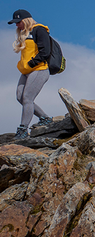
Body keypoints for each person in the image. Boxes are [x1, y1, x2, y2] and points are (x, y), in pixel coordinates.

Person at [10, 10, 55, 141]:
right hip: (27, 71)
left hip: (40, 69)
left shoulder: (39, 30)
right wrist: (23, 66)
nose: (17, 25)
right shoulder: (25, 34)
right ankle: (45, 118)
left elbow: (45, 52)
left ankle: (23, 129)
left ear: (25, 20)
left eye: (18, 22)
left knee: (27, 98)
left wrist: (31, 63)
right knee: (20, 97)